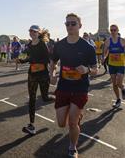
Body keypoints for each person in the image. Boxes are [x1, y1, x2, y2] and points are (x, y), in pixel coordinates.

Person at [49, 13, 98, 158]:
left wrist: (87, 70)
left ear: (80, 26)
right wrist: (51, 74)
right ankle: (77, 116)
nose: (70, 26)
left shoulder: (88, 47)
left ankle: (72, 147)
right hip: (63, 87)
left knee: (72, 123)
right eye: (67, 24)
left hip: (80, 89)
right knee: (61, 124)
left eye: (73, 24)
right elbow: (53, 62)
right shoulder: (60, 45)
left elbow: (96, 69)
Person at [19, 25, 55, 135]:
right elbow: (30, 57)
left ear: (38, 33)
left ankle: (58, 99)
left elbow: (47, 59)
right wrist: (23, 61)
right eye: (30, 31)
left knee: (45, 98)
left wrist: (34, 60)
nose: (32, 33)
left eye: (34, 31)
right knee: (32, 99)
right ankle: (31, 125)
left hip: (43, 74)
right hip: (32, 74)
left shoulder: (42, 44)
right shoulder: (29, 44)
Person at [103, 24, 125, 108]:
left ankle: (123, 88)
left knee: (119, 83)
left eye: (114, 30)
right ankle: (118, 99)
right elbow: (105, 52)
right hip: (111, 65)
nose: (113, 32)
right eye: (111, 30)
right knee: (114, 84)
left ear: (118, 30)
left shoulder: (122, 40)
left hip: (121, 65)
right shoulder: (108, 41)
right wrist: (104, 57)